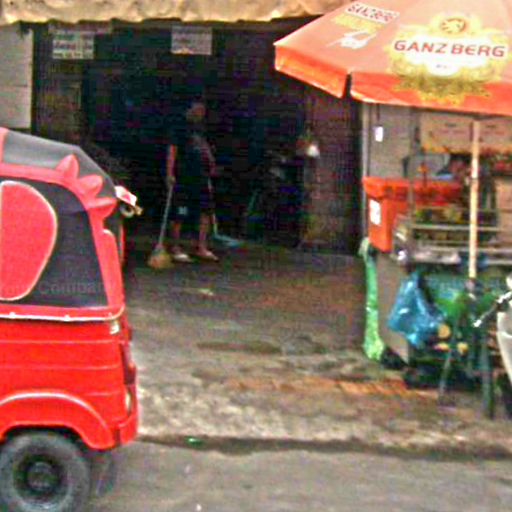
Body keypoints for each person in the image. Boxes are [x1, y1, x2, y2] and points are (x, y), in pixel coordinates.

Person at [167, 98, 219, 263]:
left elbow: (205, 147)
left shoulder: (200, 128)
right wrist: (170, 173)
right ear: (190, 109)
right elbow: (172, 150)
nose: (201, 114)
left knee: (205, 211)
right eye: (199, 110)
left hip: (201, 177)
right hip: (184, 177)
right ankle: (175, 247)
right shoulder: (179, 126)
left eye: (203, 111)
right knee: (180, 212)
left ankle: (201, 247)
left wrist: (211, 164)